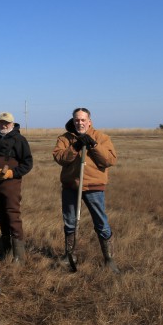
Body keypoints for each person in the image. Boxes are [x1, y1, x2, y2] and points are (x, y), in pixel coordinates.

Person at [53, 107, 120, 274]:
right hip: (71, 187)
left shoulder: (101, 137)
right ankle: (70, 255)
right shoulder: (64, 138)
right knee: (69, 222)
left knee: (101, 223)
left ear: (89, 121)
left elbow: (109, 160)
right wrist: (75, 147)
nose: (80, 123)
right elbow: (60, 158)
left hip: (93, 187)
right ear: (73, 120)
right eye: (77, 120)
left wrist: (94, 146)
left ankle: (109, 259)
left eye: (83, 120)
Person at [0, 111, 33, 265]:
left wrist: (11, 173)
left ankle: (19, 257)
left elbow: (28, 163)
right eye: (1, 122)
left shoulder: (19, 140)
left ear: (12, 123)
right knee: (0, 215)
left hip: (11, 184)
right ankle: (6, 250)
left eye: (7, 123)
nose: (4, 125)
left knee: (12, 215)